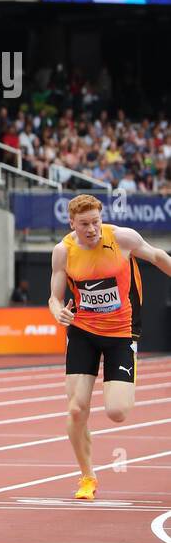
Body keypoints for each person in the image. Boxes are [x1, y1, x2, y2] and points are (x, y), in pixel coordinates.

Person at [48, 194, 171, 501]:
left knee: (117, 412)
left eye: (96, 222)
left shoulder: (122, 239)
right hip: (83, 332)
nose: (91, 229)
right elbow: (54, 296)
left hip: (121, 333)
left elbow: (157, 256)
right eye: (84, 224)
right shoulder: (63, 251)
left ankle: (117, 381)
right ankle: (87, 476)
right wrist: (57, 311)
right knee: (77, 409)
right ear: (72, 223)